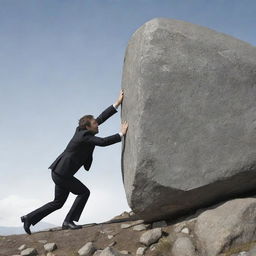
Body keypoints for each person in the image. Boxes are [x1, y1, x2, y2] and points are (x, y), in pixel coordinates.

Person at [20, 89, 128, 235]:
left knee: (58, 203)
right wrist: (121, 134)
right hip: (63, 173)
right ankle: (68, 222)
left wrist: (116, 103)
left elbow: (100, 118)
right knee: (84, 192)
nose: (98, 125)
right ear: (88, 128)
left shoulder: (82, 129)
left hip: (59, 171)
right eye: (94, 124)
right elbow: (102, 142)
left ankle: (28, 218)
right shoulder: (85, 137)